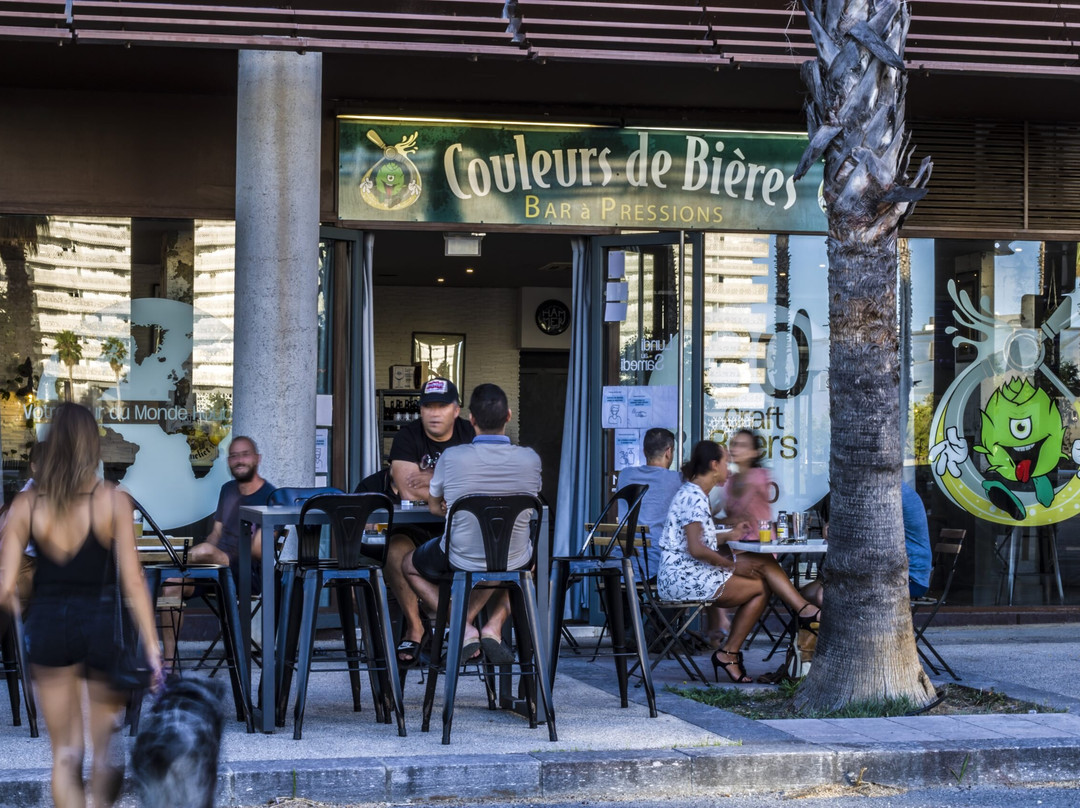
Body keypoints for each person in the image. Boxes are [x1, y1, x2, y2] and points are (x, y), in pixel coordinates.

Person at [0, 403, 162, 808]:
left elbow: (4, 586)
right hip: (100, 625)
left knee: (66, 755)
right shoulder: (112, 501)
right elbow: (133, 582)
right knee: (106, 749)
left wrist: (21, 610)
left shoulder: (26, 505)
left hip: (49, 626)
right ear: (93, 446)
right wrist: (154, 648)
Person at [657, 440, 820, 684]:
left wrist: (729, 535)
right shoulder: (693, 496)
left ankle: (733, 651)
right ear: (714, 465)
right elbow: (695, 547)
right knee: (761, 583)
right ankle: (802, 613)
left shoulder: (695, 493)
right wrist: (731, 566)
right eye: (725, 462)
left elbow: (698, 537)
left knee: (762, 566)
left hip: (687, 573)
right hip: (684, 578)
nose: (729, 469)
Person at [402, 383, 540, 664]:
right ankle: (493, 626)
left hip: (460, 557)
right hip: (514, 557)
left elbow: (433, 507)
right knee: (521, 566)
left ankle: (462, 626)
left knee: (407, 564)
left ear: (471, 419)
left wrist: (454, 509)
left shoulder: (453, 458)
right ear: (509, 416)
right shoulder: (530, 459)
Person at [160, 435, 275, 670]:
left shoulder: (272, 496)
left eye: (244, 454)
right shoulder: (228, 490)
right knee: (171, 585)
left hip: (247, 573)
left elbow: (259, 551)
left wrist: (209, 552)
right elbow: (216, 534)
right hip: (215, 570)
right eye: (233, 456)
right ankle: (169, 664)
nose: (239, 460)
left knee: (203, 551)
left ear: (257, 458)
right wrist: (207, 552)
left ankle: (163, 565)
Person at [386, 377, 476, 667]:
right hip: (417, 529)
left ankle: (466, 625)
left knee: (507, 557)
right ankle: (416, 627)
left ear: (456, 409)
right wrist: (455, 480)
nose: (434, 413)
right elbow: (408, 488)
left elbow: (482, 483)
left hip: (462, 531)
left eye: (442, 406)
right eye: (428, 407)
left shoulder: (470, 433)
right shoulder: (407, 436)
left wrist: (432, 478)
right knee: (394, 549)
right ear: (420, 410)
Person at [802, 480, 932, 605]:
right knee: (807, 593)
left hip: (907, 578)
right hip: (877, 571)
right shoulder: (879, 489)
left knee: (821, 595)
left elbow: (867, 535)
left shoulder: (890, 492)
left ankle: (837, 624)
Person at [616, 427, 681, 579]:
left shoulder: (625, 475)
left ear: (644, 451)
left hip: (620, 564)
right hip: (655, 565)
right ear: (669, 451)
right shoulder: (677, 480)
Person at [723, 428, 776, 541]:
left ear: (754, 452)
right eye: (734, 444)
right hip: (737, 543)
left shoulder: (758, 476)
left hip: (760, 544)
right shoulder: (731, 480)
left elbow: (738, 516)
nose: (735, 449)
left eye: (743, 445)